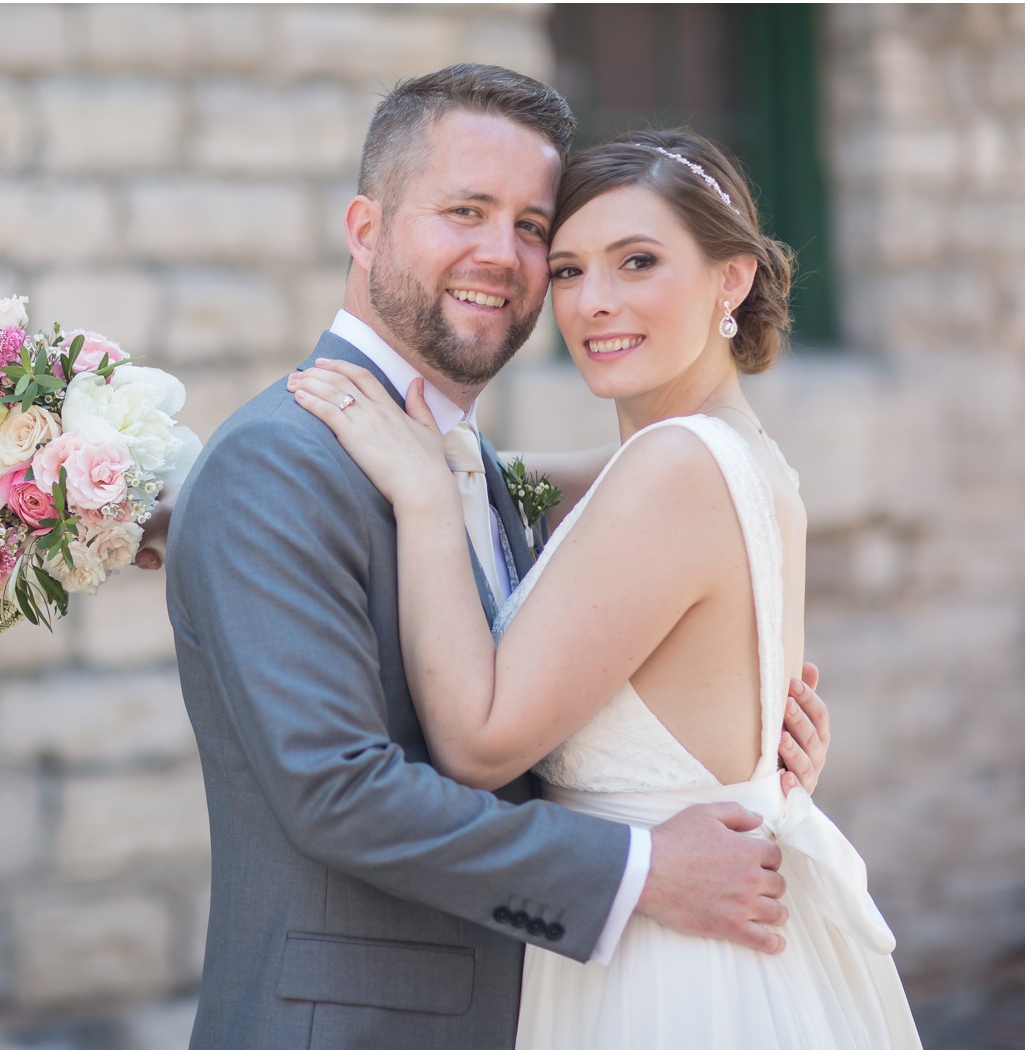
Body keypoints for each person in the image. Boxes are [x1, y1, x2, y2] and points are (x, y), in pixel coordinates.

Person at [165, 65, 832, 1049]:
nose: (504, 255)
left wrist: (735, 751)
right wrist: (644, 863)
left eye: (530, 229)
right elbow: (338, 791)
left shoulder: (471, 468)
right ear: (364, 230)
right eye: (465, 211)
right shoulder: (281, 460)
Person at [288, 126, 920, 1046]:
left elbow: (478, 743)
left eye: (638, 262)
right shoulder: (715, 454)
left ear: (730, 279)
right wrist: (174, 497)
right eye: (572, 269)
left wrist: (423, 494)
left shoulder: (673, 469)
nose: (596, 302)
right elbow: (504, 481)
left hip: (665, 972)